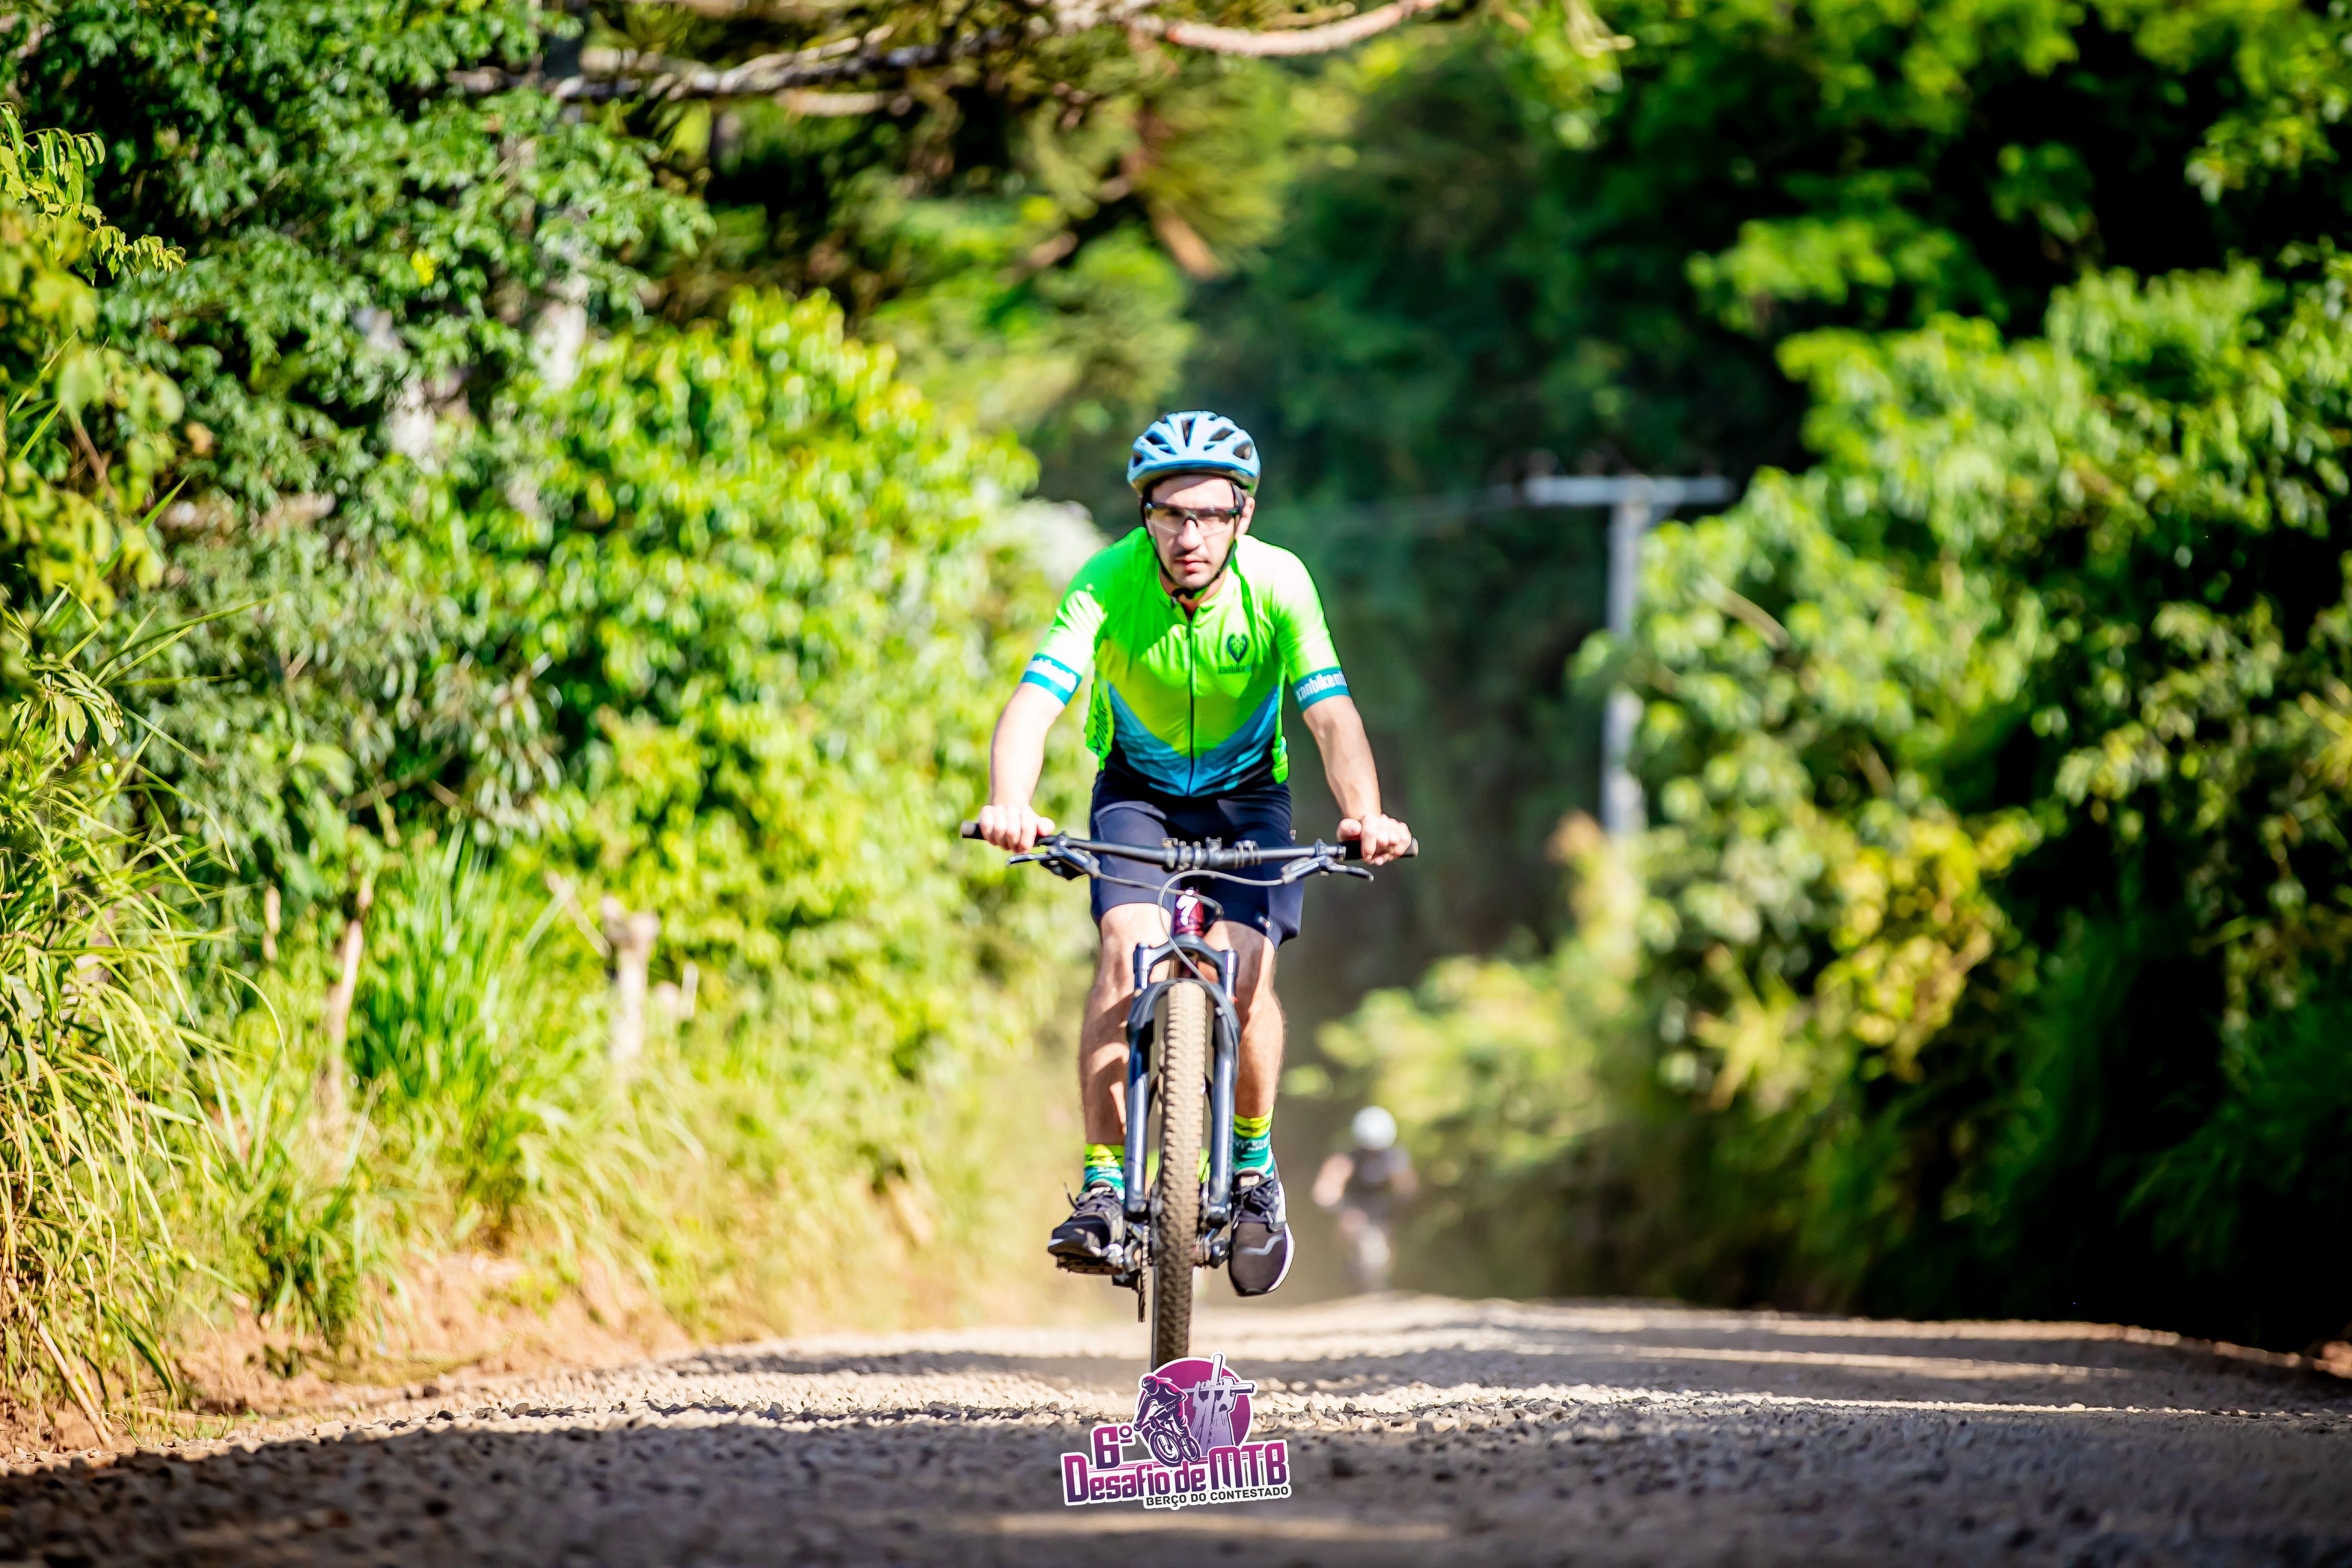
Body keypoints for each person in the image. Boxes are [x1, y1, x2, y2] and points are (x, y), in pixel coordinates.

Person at [973, 411, 1414, 1298]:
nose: (1190, 536)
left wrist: (1366, 815)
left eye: (1212, 514)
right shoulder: (1106, 582)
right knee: (1123, 953)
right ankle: (1105, 1186)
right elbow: (1036, 701)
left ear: (1243, 516)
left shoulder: (1280, 583)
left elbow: (1331, 715)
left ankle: (1251, 1171)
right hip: (1135, 796)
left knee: (1247, 970)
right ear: (1146, 516)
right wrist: (1010, 802)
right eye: (1171, 513)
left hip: (1250, 800)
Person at [1313, 1105, 1418, 1295]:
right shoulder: (1347, 1157)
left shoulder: (1395, 1158)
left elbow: (1407, 1189)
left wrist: (1397, 1211)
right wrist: (1340, 1209)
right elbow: (1326, 1189)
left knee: (1382, 1249)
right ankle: (1339, 1279)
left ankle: (1379, 1287)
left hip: (1382, 1213)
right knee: (1347, 1235)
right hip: (1353, 1211)